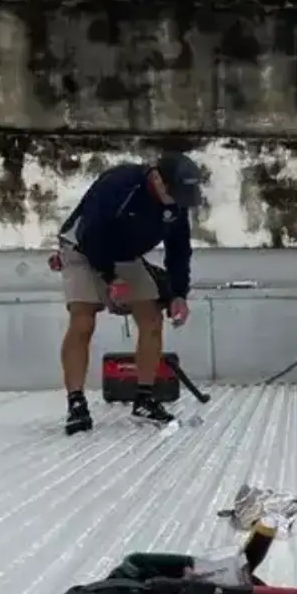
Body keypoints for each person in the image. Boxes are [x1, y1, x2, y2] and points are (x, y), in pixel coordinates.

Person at [54, 152, 202, 434]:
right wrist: (110, 279)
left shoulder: (177, 202)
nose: (177, 201)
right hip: (83, 248)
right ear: (157, 178)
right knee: (83, 319)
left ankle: (144, 399)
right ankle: (76, 403)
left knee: (151, 319)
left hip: (126, 255)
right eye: (174, 192)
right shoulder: (120, 185)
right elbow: (92, 233)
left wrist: (179, 294)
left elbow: (179, 249)